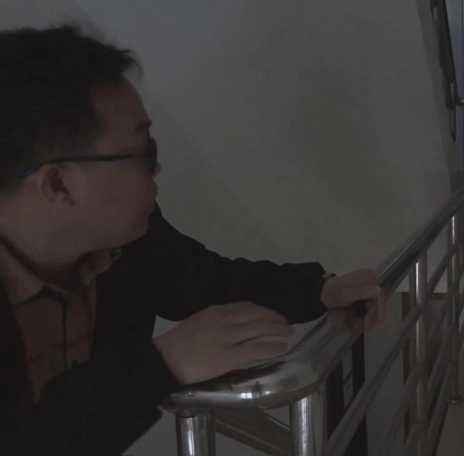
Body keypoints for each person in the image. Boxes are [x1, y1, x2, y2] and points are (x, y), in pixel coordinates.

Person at [0, 25, 387, 455]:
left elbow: (207, 280)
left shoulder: (128, 243)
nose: (156, 170)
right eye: (143, 153)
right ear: (58, 185)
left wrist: (321, 288)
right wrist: (161, 366)